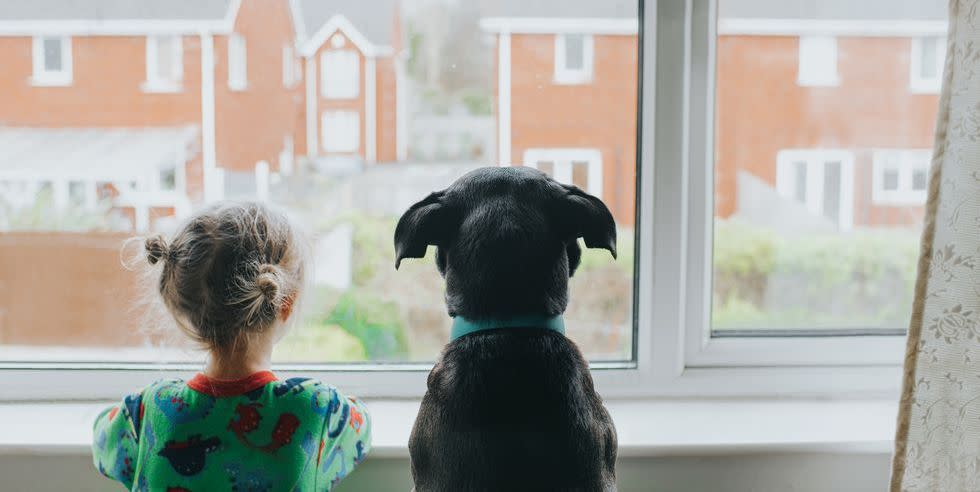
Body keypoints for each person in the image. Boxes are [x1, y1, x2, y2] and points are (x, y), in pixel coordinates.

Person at [92, 201, 370, 491]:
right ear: (285, 304)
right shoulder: (317, 408)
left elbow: (103, 443)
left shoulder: (149, 410)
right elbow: (361, 433)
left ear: (183, 306)